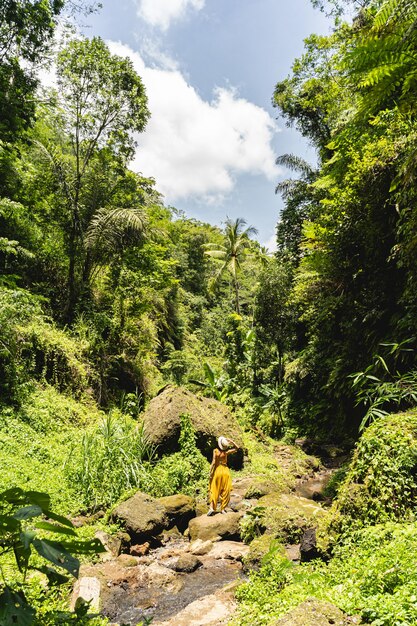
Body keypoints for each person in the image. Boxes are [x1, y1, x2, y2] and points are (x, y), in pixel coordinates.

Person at [207, 436, 238, 515]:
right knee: (225, 490)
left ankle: (212, 508)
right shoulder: (226, 452)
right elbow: (237, 448)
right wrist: (231, 441)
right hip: (225, 471)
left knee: (214, 489)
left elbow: (213, 462)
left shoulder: (215, 451)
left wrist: (210, 471)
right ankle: (223, 509)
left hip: (218, 471)